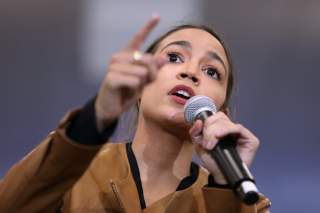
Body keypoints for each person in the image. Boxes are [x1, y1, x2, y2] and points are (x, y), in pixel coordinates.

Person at [0, 15, 271, 212]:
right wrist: (94, 119)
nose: (190, 72)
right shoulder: (69, 166)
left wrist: (225, 188)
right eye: (175, 57)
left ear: (220, 112)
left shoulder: (246, 205)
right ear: (140, 83)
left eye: (212, 71)